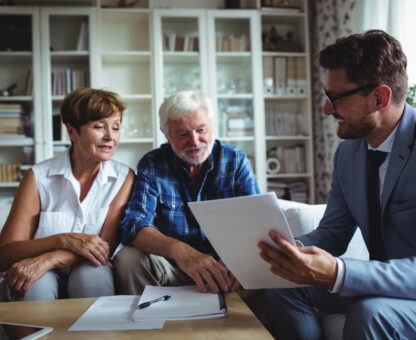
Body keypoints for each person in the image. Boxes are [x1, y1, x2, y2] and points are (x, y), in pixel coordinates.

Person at [258, 29, 416, 340]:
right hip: (378, 284)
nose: (327, 110)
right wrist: (292, 251)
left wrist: (339, 272)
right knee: (283, 283)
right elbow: (333, 232)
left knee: (371, 312)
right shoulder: (348, 152)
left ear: (379, 97)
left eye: (337, 98)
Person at [114, 90, 260, 295]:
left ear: (213, 126)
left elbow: (257, 221)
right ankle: (148, 324)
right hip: (174, 267)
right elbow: (135, 226)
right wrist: (181, 252)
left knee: (263, 264)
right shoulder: (153, 164)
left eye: (201, 130)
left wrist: (239, 256)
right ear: (166, 135)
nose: (194, 141)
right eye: (183, 134)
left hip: (228, 267)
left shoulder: (235, 161)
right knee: (128, 259)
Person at [0, 87, 134, 301]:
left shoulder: (123, 178)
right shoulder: (38, 177)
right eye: (99, 127)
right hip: (38, 273)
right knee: (34, 285)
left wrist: (51, 259)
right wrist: (62, 240)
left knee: (92, 276)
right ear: (72, 132)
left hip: (89, 268)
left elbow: (104, 248)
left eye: (116, 127)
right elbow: (5, 253)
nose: (110, 136)